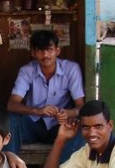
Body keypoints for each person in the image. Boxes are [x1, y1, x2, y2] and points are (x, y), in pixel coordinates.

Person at [5, 29, 85, 159]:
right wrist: (37, 111)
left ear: (57, 51)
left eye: (49, 50)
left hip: (60, 126)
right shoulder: (27, 71)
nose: (45, 55)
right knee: (11, 119)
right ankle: (9, 164)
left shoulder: (71, 69)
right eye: (40, 51)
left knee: (81, 124)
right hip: (32, 125)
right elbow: (12, 105)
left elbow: (81, 106)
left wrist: (68, 113)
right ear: (33, 53)